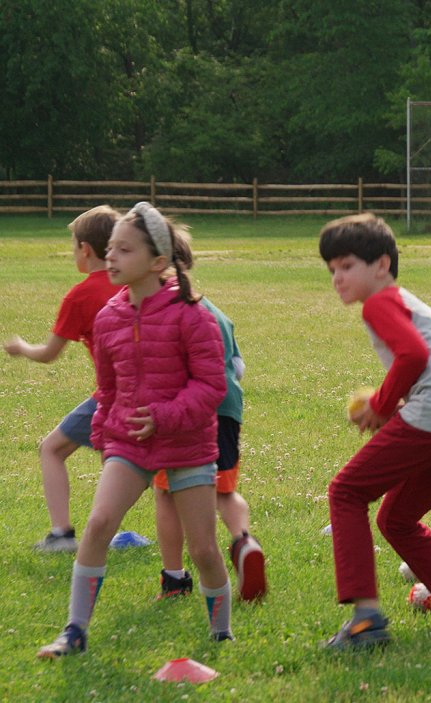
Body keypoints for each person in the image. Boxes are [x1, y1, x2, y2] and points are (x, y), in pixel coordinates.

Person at [37, 202, 231, 658]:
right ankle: (75, 631)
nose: (111, 258)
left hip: (187, 444)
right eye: (109, 249)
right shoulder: (108, 317)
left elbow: (211, 386)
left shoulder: (192, 315)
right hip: (129, 443)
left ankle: (221, 632)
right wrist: (106, 437)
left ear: (158, 262)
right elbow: (106, 389)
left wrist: (164, 416)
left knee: (202, 550)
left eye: (124, 250)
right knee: (99, 523)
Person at [318, 213, 431, 651]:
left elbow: (414, 355)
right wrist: (402, 405)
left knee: (346, 492)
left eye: (346, 266)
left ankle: (365, 621)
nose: (337, 279)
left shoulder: (380, 302)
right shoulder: (411, 303)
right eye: (331, 270)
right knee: (396, 519)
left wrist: (382, 406)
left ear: (381, 265)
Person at [150, 236, 266, 602]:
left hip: (184, 413)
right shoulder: (213, 310)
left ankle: (174, 580)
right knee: (224, 490)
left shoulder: (161, 310)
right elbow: (238, 367)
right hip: (227, 410)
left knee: (167, 493)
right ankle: (244, 542)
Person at [5, 206, 122, 553]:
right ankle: (112, 533)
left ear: (85, 249)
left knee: (51, 449)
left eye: (74, 246)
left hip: (112, 396)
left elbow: (49, 353)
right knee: (118, 459)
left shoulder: (80, 295)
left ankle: (61, 534)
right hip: (151, 391)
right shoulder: (134, 283)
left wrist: (22, 347)